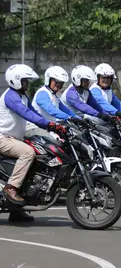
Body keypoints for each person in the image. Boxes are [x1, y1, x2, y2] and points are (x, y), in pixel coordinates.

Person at [0, 64, 66, 222]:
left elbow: (34, 113)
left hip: (14, 138)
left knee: (37, 155)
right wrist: (49, 125)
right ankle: (11, 188)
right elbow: (26, 113)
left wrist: (55, 127)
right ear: (16, 81)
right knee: (27, 152)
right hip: (2, 138)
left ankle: (16, 211)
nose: (27, 84)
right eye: (25, 81)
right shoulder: (11, 96)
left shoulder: (22, 96)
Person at [30, 66, 83, 139]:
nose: (59, 84)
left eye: (61, 83)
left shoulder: (54, 95)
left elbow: (65, 109)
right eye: (56, 81)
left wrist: (79, 119)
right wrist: (68, 117)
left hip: (50, 128)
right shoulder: (42, 93)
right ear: (49, 79)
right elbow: (51, 110)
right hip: (38, 129)